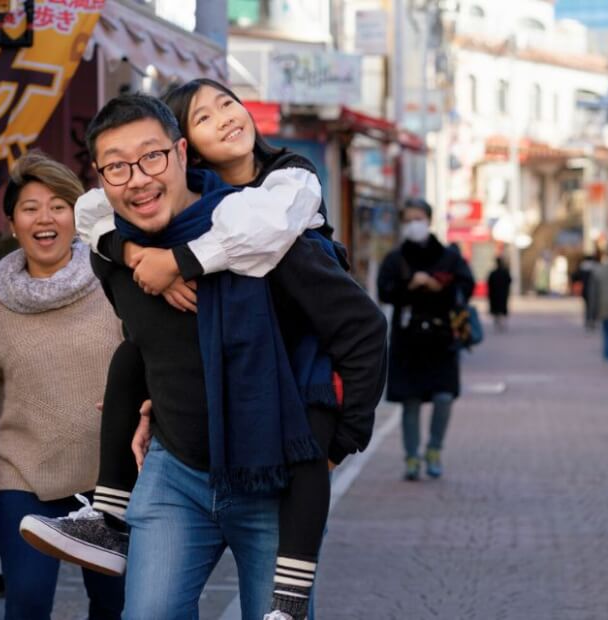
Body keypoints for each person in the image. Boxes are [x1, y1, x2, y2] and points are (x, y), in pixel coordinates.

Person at [22, 82, 383, 620]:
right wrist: (140, 258)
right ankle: (109, 517)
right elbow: (147, 346)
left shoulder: (263, 235)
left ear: (182, 152)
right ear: (101, 178)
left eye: (152, 158)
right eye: (117, 167)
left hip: (273, 476)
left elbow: (363, 329)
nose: (138, 179)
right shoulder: (115, 254)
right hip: (177, 473)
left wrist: (340, 443)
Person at [0, 151, 125, 619]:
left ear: (76, 217)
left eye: (58, 205)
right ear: (11, 224)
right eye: (30, 207)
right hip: (25, 478)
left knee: (116, 606)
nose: (45, 218)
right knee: (25, 605)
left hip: (113, 481)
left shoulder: (114, 285)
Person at [377, 198, 475, 481]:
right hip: (408, 341)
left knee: (444, 397)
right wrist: (410, 285)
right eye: (407, 220)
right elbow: (385, 291)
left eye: (418, 218)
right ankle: (411, 457)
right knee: (410, 401)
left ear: (429, 220)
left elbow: (465, 286)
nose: (413, 225)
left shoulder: (448, 256)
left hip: (442, 337)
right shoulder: (395, 258)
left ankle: (434, 449)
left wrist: (437, 285)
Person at [487, 256, 512, 331]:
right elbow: (509, 281)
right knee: (502, 309)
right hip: (503, 294)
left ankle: (498, 323)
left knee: (496, 310)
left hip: (495, 295)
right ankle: (502, 324)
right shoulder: (505, 272)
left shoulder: (493, 273)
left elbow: (489, 284)